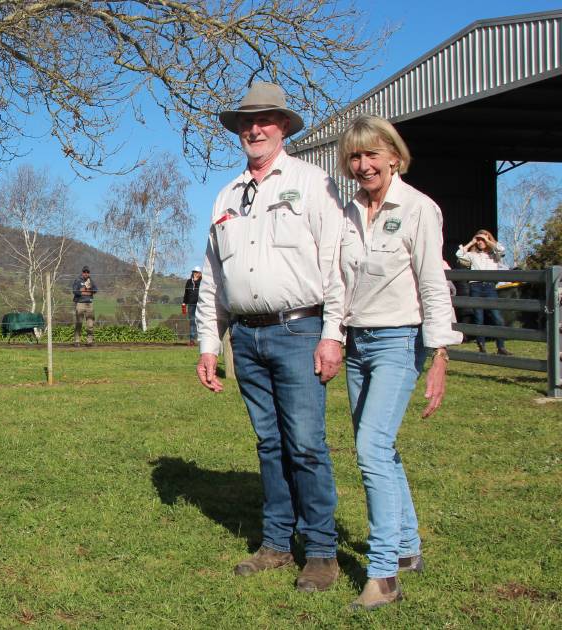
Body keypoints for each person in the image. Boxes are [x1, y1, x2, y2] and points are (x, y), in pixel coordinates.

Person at [194, 82, 345, 592]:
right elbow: (213, 277)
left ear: (283, 127)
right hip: (248, 339)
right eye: (245, 122)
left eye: (265, 120)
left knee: (305, 444)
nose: (254, 129)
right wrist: (209, 346)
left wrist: (332, 334)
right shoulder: (226, 195)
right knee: (269, 444)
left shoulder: (312, 182)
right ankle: (277, 544)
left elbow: (336, 264)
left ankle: (321, 552)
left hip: (299, 329)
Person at [336, 114, 463, 611]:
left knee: (371, 448)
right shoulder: (348, 212)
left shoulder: (417, 209)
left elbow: (433, 282)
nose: (364, 164)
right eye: (355, 156)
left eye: (372, 154)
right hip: (357, 342)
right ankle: (408, 548)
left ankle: (383, 574)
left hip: (399, 340)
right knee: (380, 448)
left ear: (394, 156)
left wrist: (440, 354)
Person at [456, 229, 510, 355]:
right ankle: (481, 345)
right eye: (478, 240)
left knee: (497, 317)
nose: (480, 242)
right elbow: (459, 254)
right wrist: (471, 242)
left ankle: (501, 347)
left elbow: (501, 249)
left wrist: (487, 240)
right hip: (476, 286)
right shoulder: (472, 255)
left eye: (483, 240)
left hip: (490, 287)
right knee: (479, 317)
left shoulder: (494, 255)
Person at [72, 265, 97, 346]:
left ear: (89, 273)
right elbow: (75, 291)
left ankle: (89, 341)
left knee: (90, 324)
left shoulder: (91, 281)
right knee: (79, 323)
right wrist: (84, 290)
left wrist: (90, 288)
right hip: (80, 303)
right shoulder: (77, 280)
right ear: (82, 272)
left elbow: (96, 290)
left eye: (87, 272)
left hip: (90, 304)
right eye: (84, 272)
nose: (86, 273)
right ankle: (77, 341)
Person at [182, 267, 202, 346]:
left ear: (200, 273)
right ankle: (192, 340)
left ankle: (202, 340)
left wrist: (197, 281)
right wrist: (184, 302)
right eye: (194, 272)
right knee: (192, 322)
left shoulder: (202, 282)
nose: (196, 273)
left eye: (197, 272)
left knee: (201, 322)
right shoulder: (189, 282)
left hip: (201, 304)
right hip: (191, 305)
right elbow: (186, 293)